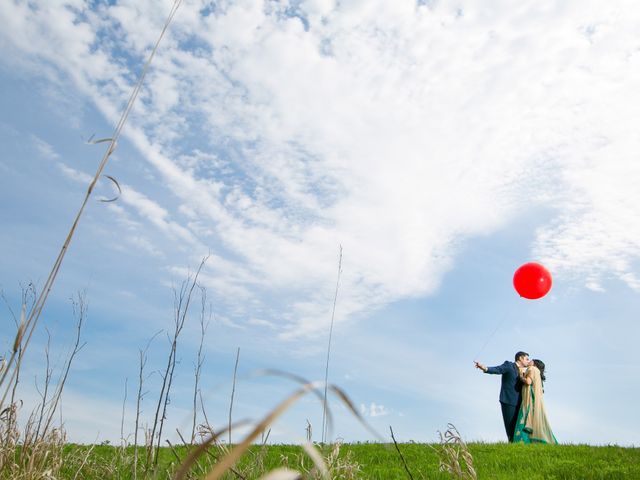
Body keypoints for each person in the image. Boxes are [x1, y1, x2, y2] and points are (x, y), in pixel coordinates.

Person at [474, 351, 529, 442]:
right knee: (510, 426)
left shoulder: (525, 372)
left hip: (521, 402)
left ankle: (519, 445)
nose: (528, 361)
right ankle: (511, 445)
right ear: (520, 358)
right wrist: (484, 367)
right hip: (508, 401)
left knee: (519, 426)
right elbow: (497, 369)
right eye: (526, 359)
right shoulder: (509, 365)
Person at [513, 359, 558, 444]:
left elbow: (528, 381)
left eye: (531, 360)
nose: (529, 361)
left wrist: (520, 375)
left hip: (528, 400)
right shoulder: (537, 372)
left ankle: (522, 442)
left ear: (535, 364)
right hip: (533, 401)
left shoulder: (532, 369)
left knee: (525, 419)